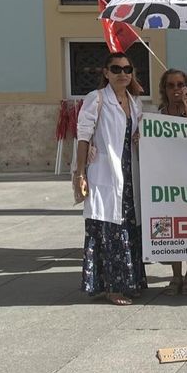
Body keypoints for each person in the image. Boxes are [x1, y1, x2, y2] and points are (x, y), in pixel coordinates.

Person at [73, 52, 148, 305]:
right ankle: (112, 287)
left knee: (128, 227)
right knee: (108, 230)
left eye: (127, 69)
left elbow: (136, 134)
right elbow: (83, 136)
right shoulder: (96, 99)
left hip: (129, 174)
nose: (122, 74)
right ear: (106, 72)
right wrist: (80, 173)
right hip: (105, 173)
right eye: (116, 69)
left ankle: (131, 281)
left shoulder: (135, 102)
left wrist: (140, 138)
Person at [155, 68, 187, 296]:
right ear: (164, 89)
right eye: (170, 85)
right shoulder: (159, 115)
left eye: (180, 84)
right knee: (171, 228)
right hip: (168, 180)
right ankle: (176, 275)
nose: (175, 89)